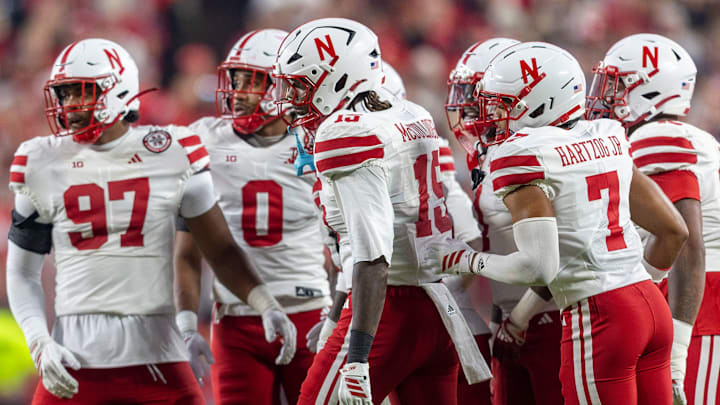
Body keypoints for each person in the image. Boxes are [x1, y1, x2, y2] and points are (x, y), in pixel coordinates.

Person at [5, 38, 295, 404]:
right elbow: (22, 272)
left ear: (118, 90)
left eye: (79, 92)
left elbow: (219, 248)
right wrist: (39, 341)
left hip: (157, 357)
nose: (68, 107)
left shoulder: (173, 151)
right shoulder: (40, 161)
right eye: (62, 95)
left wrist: (265, 304)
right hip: (75, 357)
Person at [435, 41, 689, 405]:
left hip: (595, 314)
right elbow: (672, 229)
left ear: (539, 102)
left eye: (499, 103)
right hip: (646, 303)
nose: (487, 114)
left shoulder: (522, 152)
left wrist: (463, 261)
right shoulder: (606, 134)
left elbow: (541, 266)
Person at [274, 18, 490, 405]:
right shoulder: (411, 113)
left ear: (338, 78)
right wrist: (333, 315)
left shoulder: (346, 133)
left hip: (388, 309)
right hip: (437, 308)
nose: (290, 100)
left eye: (301, 85)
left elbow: (373, 257)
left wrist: (357, 358)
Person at [173, 28, 331, 405]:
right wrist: (185, 324)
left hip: (311, 316)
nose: (239, 92)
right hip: (235, 321)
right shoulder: (203, 141)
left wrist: (341, 313)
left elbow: (350, 245)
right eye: (236, 80)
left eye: (254, 81)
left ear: (287, 87)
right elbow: (188, 249)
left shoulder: (321, 142)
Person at [587, 33, 715, 405]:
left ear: (649, 90)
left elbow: (687, 238)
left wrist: (677, 351)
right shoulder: (679, 134)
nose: (604, 95)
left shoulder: (656, 134)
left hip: (701, 302)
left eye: (616, 84)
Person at [445, 38, 564, 405]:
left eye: (476, 96)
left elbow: (568, 250)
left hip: (552, 320)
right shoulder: (495, 155)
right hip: (515, 322)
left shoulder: (535, 152)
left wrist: (520, 318)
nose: (465, 110)